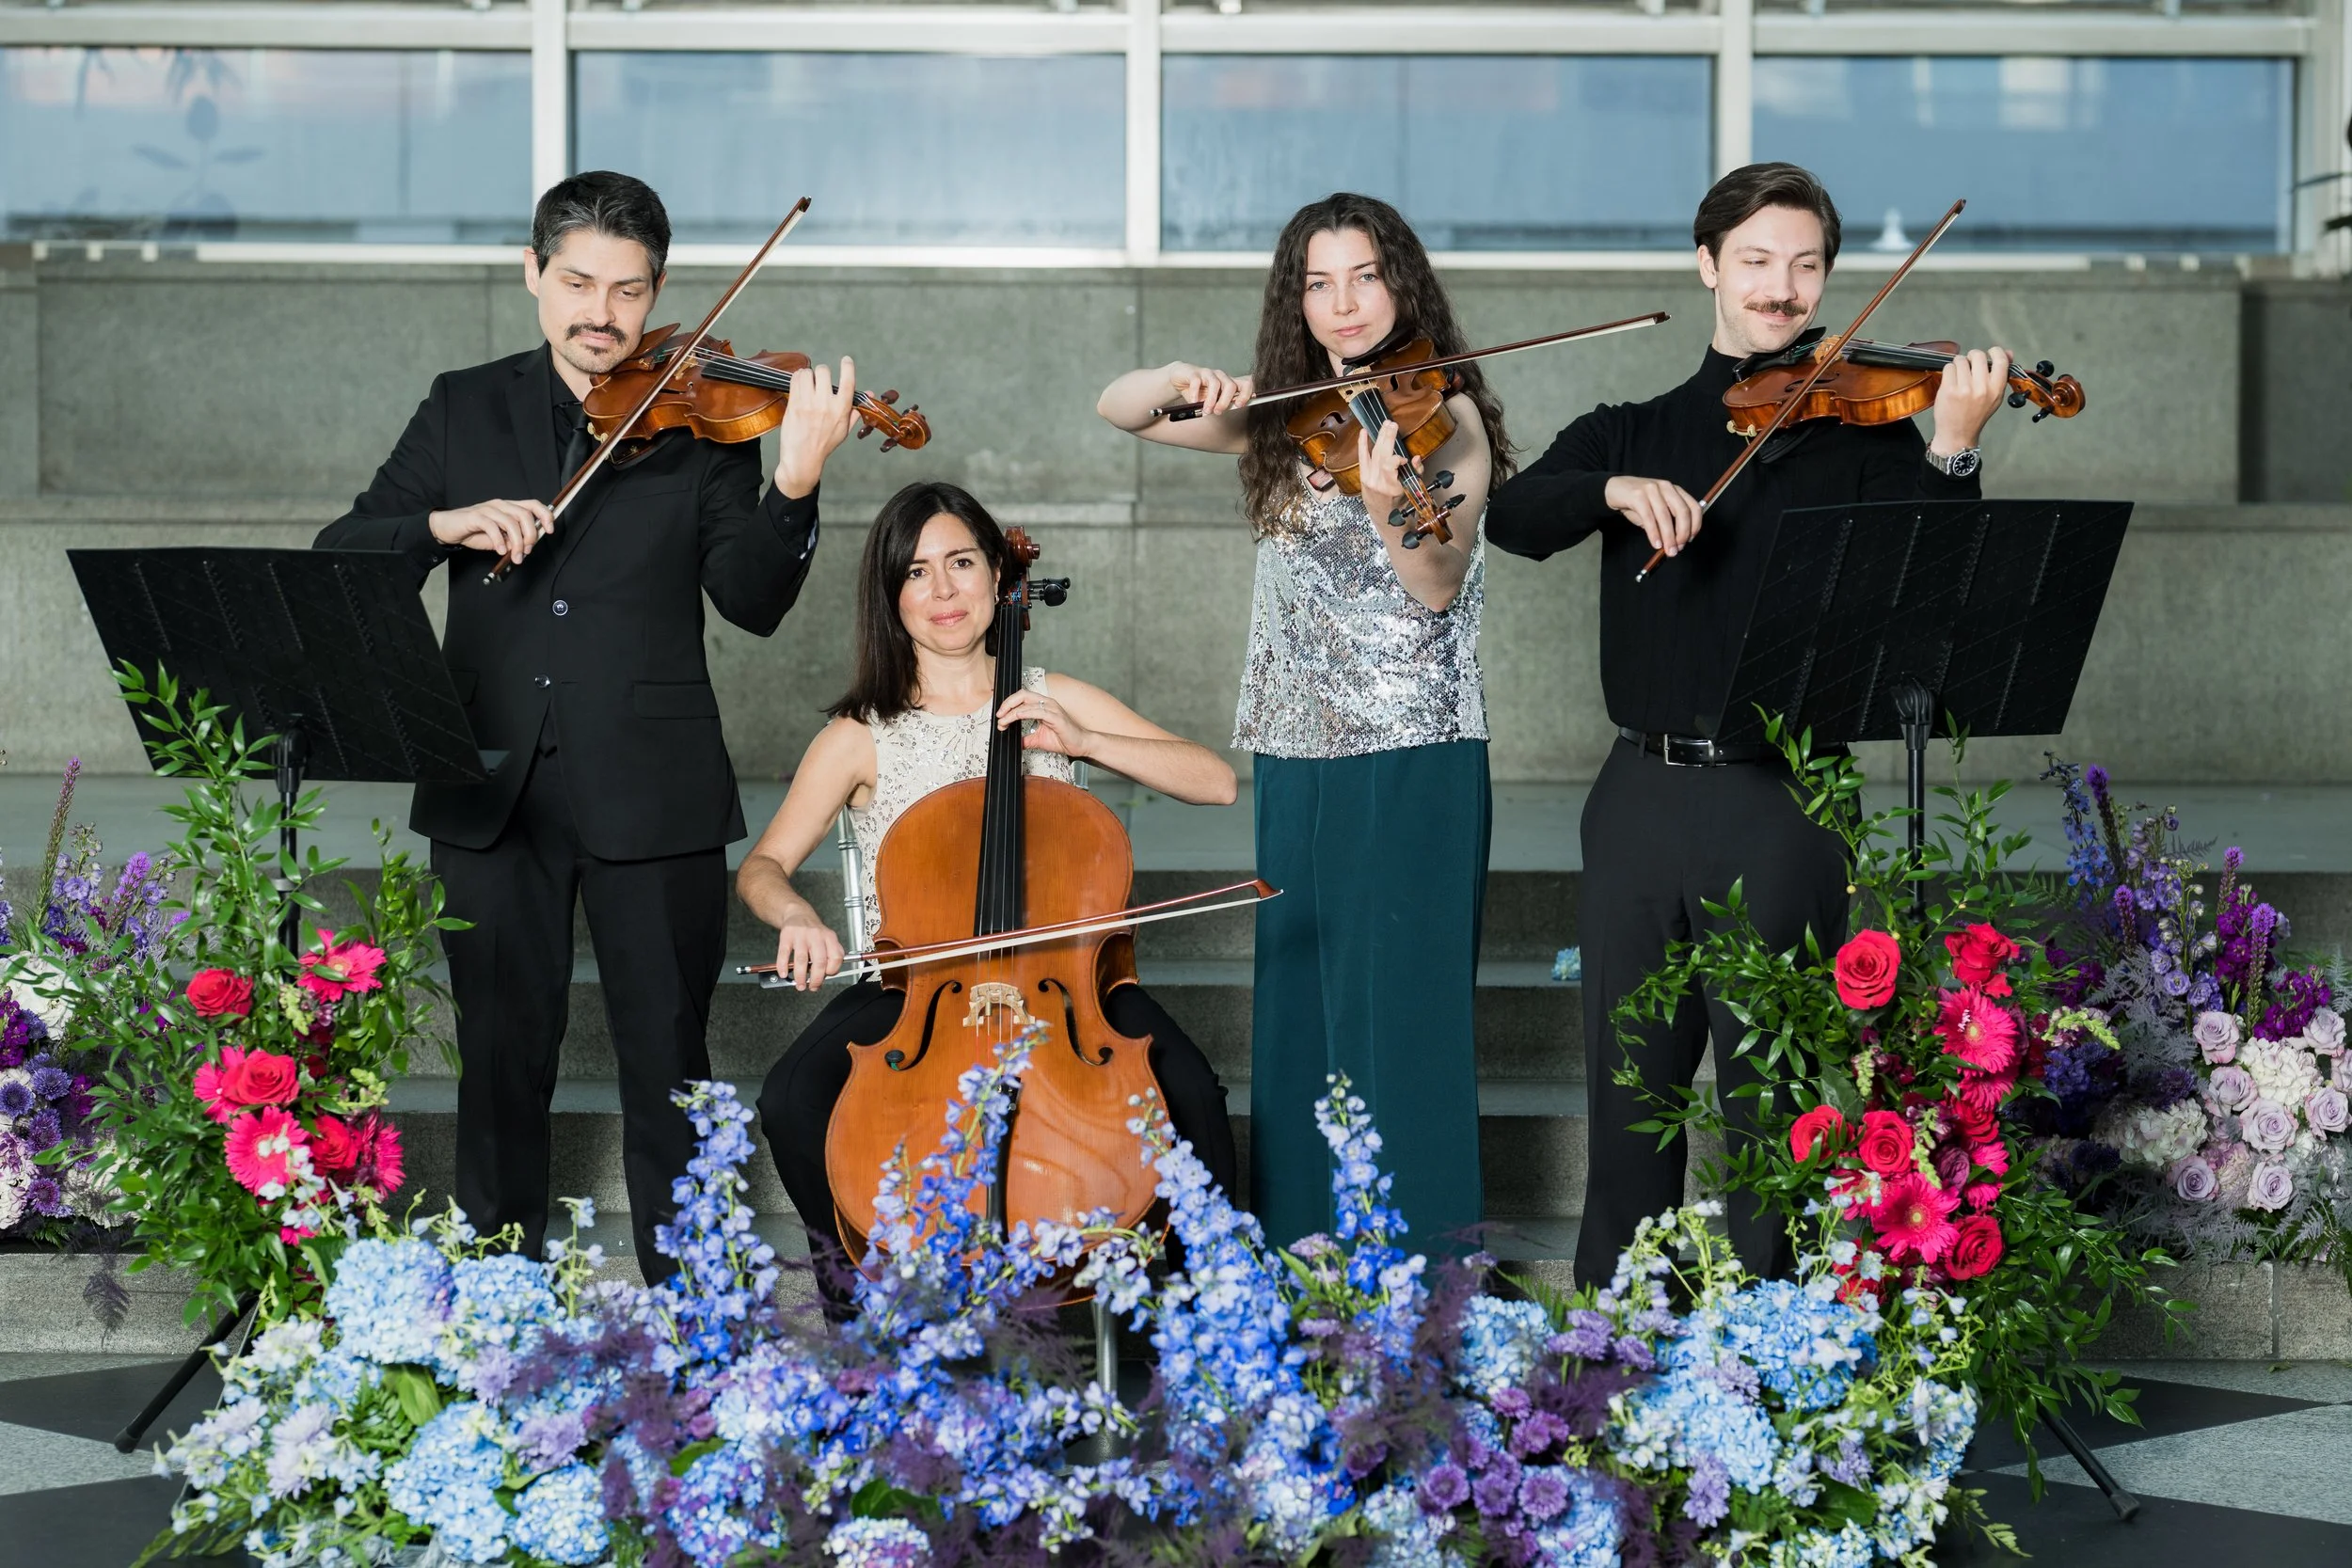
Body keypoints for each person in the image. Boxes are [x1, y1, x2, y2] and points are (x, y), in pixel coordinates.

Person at [315, 170, 861, 1280]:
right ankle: (497, 1295)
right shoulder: (463, 405)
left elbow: (751, 602)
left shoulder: (705, 418)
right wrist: (444, 522)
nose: (600, 314)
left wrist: (795, 484)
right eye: (576, 283)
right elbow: (344, 552)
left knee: (670, 1064)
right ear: (532, 273)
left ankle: (693, 1306)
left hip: (652, 784)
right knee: (497, 1061)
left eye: (627, 290)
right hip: (487, 780)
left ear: (657, 289)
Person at [1483, 162, 2015, 1286]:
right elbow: (1514, 516)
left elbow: (1934, 606)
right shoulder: (1630, 429)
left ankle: (1773, 1343)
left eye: (1805, 265)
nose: (1782, 288)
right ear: (1707, 265)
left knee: (1773, 1111)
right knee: (1627, 1097)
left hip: (1783, 799)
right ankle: (1617, 1335)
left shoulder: (1870, 440)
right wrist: (1611, 489)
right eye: (1758, 260)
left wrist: (1953, 448)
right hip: (1633, 800)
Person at [1094, 192, 1508, 1248]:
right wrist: (1179, 378)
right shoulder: (1285, 413)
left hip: (1413, 746)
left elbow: (1434, 582)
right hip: (1295, 747)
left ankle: (1416, 1276)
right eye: (1319, 283)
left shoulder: (1451, 419)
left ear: (1401, 283)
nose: (1344, 302)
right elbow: (1120, 408)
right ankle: (1300, 1259)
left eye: (1364, 276)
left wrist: (1384, 499)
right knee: (1300, 1014)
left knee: (1401, 1020)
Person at [739, 480, 1242, 1252]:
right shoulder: (860, 733)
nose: (942, 590)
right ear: (891, 596)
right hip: (916, 988)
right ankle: (864, 1295)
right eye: (916, 571)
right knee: (790, 1098)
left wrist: (1087, 740)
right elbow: (763, 865)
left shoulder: (1052, 697)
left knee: (1193, 1093)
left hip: (1065, 980)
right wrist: (796, 914)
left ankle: (1200, 1298)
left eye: (962, 562)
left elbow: (1216, 781)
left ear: (999, 576)